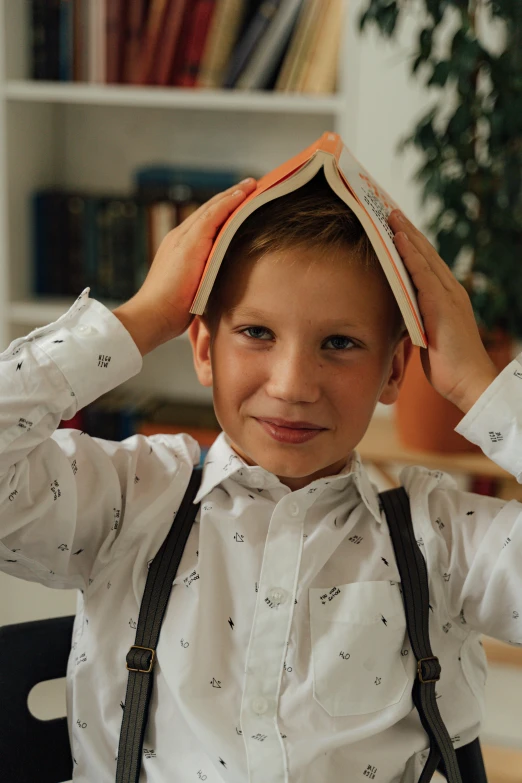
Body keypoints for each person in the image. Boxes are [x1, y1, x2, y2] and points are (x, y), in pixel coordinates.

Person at [0, 169, 519, 783]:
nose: (293, 385)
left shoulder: (442, 538)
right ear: (201, 348)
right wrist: (140, 317)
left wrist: (477, 384)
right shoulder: (128, 498)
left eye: (341, 343)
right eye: (255, 333)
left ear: (393, 371)